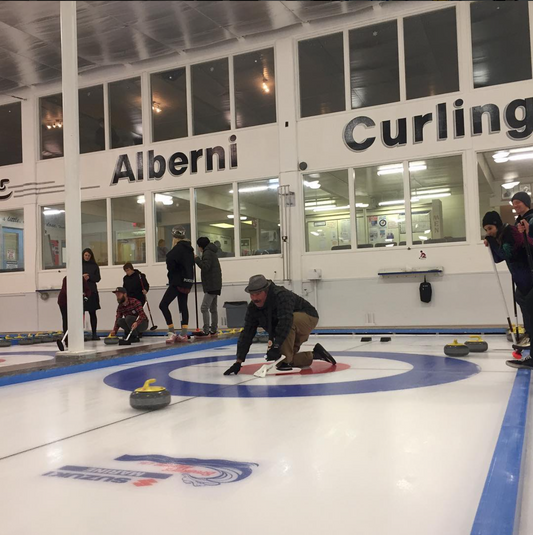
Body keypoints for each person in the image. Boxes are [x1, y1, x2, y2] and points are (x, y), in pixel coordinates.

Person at [224, 274, 336, 375]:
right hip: (289, 327)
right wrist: (239, 361)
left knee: (289, 324)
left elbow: (285, 321)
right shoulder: (253, 308)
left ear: (266, 291)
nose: (255, 298)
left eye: (258, 294)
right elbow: (247, 332)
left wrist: (276, 345)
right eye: (252, 295)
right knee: (282, 360)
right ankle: (315, 354)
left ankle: (285, 362)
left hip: (307, 317)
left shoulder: (281, 296)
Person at [483, 211, 533, 369]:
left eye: (490, 228)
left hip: (529, 278)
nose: (488, 232)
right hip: (522, 281)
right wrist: (491, 244)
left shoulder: (510, 232)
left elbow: (506, 253)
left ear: (497, 224)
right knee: (526, 311)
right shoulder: (500, 236)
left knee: (530, 312)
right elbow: (498, 258)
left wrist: (492, 241)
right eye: (486, 230)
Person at [159, 226, 195, 343]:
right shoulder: (190, 249)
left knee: (163, 305)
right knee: (183, 306)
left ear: (174, 238)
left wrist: (172, 276)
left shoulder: (175, 250)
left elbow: (170, 261)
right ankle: (183, 334)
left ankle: (171, 331)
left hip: (177, 282)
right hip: (188, 282)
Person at [194, 237, 222, 337]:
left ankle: (206, 330)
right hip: (216, 284)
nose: (198, 248)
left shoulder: (207, 253)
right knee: (213, 308)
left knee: (204, 308)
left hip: (211, 285)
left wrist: (197, 259)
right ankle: (214, 329)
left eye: (198, 246)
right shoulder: (212, 252)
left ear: (201, 246)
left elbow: (205, 267)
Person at [57, 276, 91, 345]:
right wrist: (75, 298)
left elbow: (87, 290)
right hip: (64, 302)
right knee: (66, 320)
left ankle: (77, 338)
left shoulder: (81, 278)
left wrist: (86, 296)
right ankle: (67, 340)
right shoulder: (67, 278)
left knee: (77, 321)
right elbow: (66, 291)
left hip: (76, 302)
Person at [82, 248, 101, 340]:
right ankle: (80, 334)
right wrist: (82, 277)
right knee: (81, 314)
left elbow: (98, 278)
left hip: (92, 291)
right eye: (85, 255)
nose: (87, 257)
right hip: (81, 292)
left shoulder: (94, 265)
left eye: (89, 255)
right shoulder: (79, 265)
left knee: (92, 313)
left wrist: (89, 277)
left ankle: (94, 333)